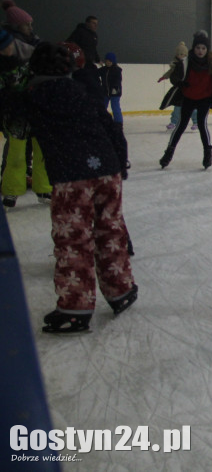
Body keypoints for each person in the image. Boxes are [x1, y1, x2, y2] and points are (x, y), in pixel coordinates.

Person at [23, 43, 136, 333]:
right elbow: (112, 128)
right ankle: (121, 290)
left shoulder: (33, 97)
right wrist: (120, 163)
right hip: (107, 169)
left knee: (74, 240)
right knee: (110, 231)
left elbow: (14, 122)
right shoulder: (82, 93)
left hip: (72, 176)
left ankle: (75, 309)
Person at [158, 30, 212, 169]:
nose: (200, 51)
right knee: (181, 125)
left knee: (202, 124)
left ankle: (207, 153)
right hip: (188, 98)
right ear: (194, 48)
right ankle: (169, 152)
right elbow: (174, 76)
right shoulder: (186, 63)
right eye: (198, 48)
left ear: (207, 50)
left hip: (204, 99)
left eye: (203, 48)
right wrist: (179, 83)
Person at [0, 27, 52, 209]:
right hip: (16, 116)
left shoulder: (29, 57)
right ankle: (11, 190)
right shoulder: (4, 68)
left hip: (37, 112)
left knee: (42, 152)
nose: (8, 49)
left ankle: (44, 188)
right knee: (15, 155)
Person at [101, 52, 123, 124]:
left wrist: (114, 88)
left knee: (115, 107)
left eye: (109, 61)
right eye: (106, 61)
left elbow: (118, 80)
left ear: (113, 61)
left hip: (115, 92)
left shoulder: (116, 70)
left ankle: (118, 122)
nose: (107, 62)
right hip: (105, 92)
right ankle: (101, 120)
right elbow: (96, 73)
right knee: (102, 107)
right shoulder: (104, 69)